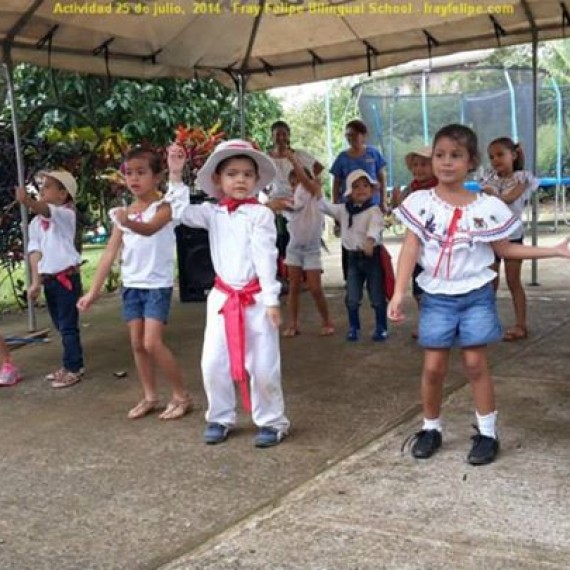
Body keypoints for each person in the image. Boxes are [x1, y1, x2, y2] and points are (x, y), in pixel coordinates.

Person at [389, 124, 570, 466]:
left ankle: (487, 433)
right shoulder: (420, 202)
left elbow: (504, 249)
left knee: (475, 363)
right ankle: (431, 428)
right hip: (436, 297)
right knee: (432, 367)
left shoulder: (486, 206)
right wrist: (398, 293)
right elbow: (410, 249)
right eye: (439, 155)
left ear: (470, 162)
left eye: (455, 156)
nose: (445, 162)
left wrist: (554, 251)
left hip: (476, 295)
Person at [167, 139, 290, 448]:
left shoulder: (260, 215)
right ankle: (220, 416)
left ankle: (272, 421)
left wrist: (272, 300)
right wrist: (175, 175)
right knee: (213, 362)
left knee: (263, 366)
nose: (240, 180)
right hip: (223, 299)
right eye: (232, 173)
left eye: (247, 174)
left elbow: (266, 257)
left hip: (256, 298)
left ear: (255, 180)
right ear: (219, 180)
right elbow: (179, 212)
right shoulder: (213, 213)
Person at [77, 148, 192, 420]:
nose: (134, 178)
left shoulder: (164, 207)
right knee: (137, 344)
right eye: (129, 173)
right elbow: (109, 253)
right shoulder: (123, 213)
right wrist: (93, 291)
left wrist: (128, 222)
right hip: (132, 286)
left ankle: (181, 395)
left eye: (141, 172)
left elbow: (151, 228)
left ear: (157, 176)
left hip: (156, 286)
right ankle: (150, 396)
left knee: (152, 343)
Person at [16, 170, 84, 389]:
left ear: (63, 194)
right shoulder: (36, 223)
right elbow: (35, 253)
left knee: (67, 326)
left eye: (47, 186)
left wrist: (27, 201)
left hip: (67, 279)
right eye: (41, 186)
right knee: (60, 325)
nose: (42, 190)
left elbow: (44, 208)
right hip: (51, 280)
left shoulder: (65, 214)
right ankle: (69, 364)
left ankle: (74, 367)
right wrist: (36, 282)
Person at [479, 137, 538, 342]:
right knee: (490, 283)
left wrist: (493, 195)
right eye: (491, 157)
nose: (495, 160)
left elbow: (510, 199)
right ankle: (487, 323)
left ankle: (521, 325)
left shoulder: (523, 177)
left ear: (513, 155)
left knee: (514, 281)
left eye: (500, 155)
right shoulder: (488, 178)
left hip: (512, 237)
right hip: (491, 237)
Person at [320, 169, 386, 342]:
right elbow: (324, 206)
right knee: (352, 296)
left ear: (372, 190)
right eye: (356, 186)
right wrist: (315, 189)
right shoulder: (343, 210)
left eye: (365, 185)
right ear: (349, 191)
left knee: (377, 296)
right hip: (352, 258)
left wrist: (370, 241)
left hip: (371, 258)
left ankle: (381, 327)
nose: (361, 189)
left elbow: (376, 226)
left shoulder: (374, 210)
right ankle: (354, 327)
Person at [274, 150, 334, 337]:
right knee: (293, 287)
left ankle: (326, 321)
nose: (296, 186)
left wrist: (292, 159)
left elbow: (306, 181)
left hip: (312, 250)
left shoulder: (314, 193)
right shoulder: (290, 202)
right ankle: (293, 324)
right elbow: (276, 205)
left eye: (298, 181)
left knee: (316, 289)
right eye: (292, 184)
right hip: (294, 250)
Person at [266, 120, 324, 292]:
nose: (281, 138)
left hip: (298, 202)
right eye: (277, 134)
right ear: (272, 136)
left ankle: (304, 276)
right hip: (277, 204)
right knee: (279, 240)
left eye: (284, 134)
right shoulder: (267, 158)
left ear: (289, 136)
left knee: (300, 239)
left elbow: (318, 168)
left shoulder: (299, 155)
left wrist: (312, 183)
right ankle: (283, 276)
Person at [330, 119, 387, 281]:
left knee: (373, 238)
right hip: (349, 207)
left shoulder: (373, 154)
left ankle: (375, 277)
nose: (351, 139)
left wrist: (383, 201)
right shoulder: (342, 157)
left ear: (364, 136)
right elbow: (336, 184)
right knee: (349, 239)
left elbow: (382, 178)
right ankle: (351, 278)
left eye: (354, 135)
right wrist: (336, 208)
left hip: (372, 205)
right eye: (348, 136)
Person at [392, 145, 439, 338]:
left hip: (437, 247)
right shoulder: (410, 189)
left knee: (439, 289)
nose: (419, 169)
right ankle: (426, 323)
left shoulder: (440, 186)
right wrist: (395, 201)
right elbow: (400, 213)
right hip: (417, 248)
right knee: (419, 290)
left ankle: (442, 323)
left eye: (424, 164)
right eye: (416, 165)